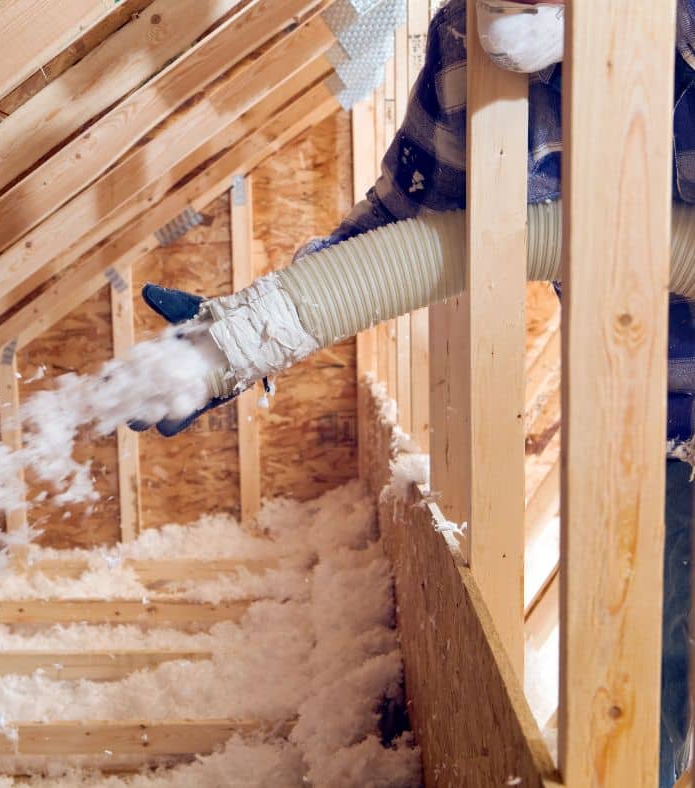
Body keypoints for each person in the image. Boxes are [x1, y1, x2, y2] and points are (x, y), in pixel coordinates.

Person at [134, 1, 695, 782]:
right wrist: (236, 340)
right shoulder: (468, 40)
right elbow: (409, 225)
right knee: (640, 714)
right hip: (658, 426)